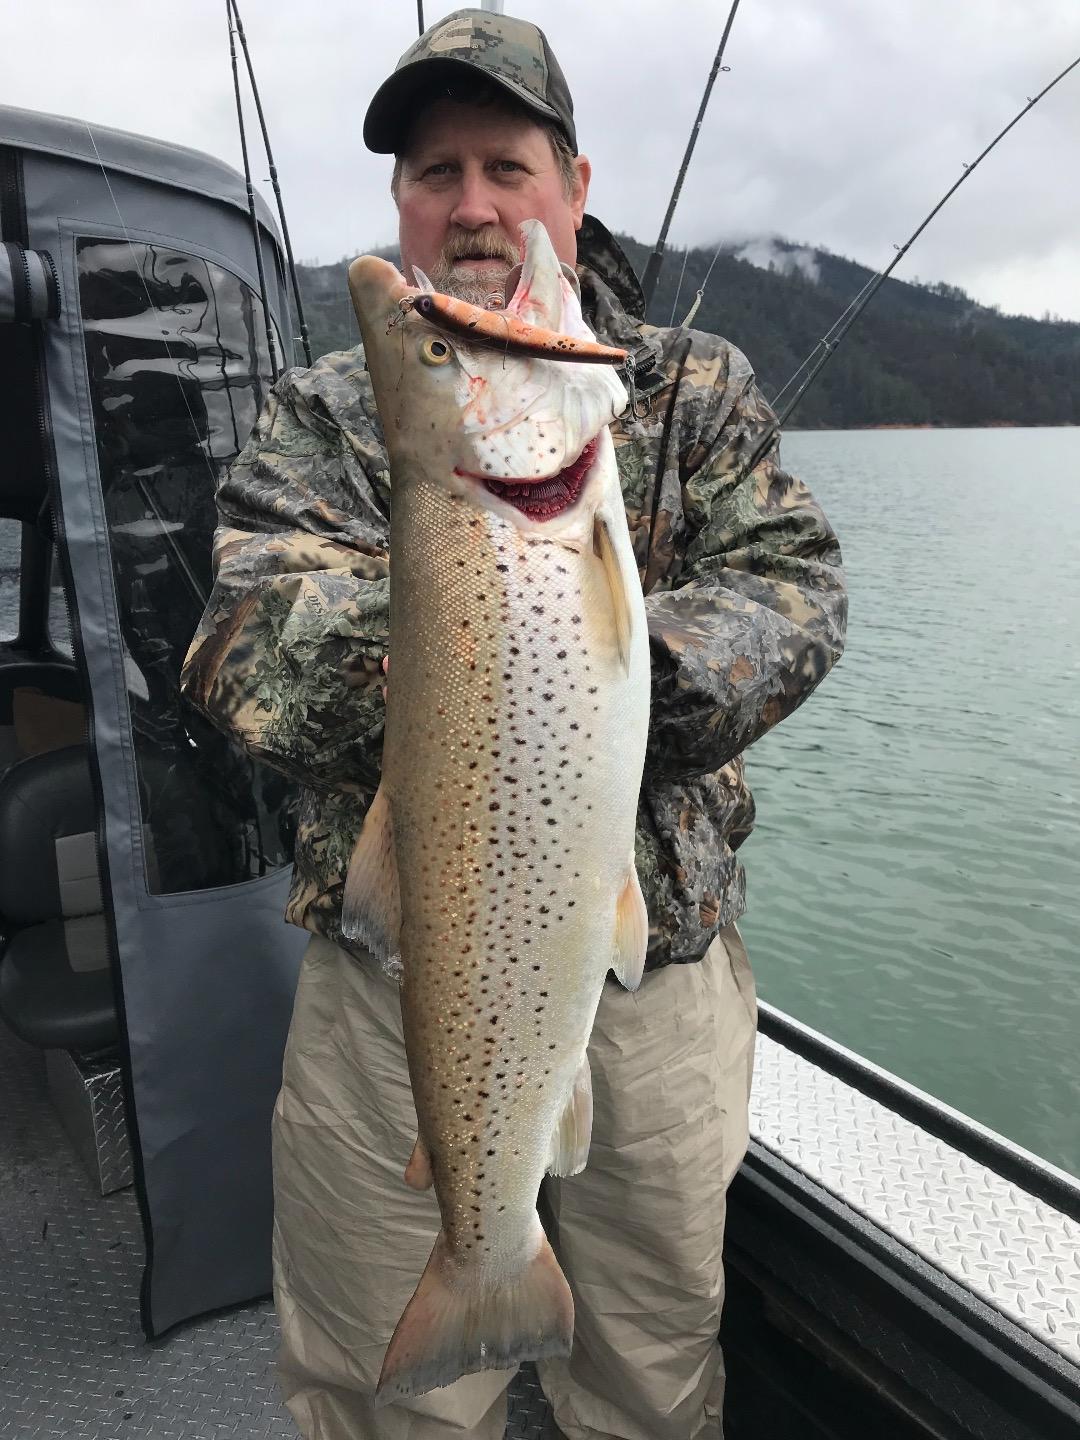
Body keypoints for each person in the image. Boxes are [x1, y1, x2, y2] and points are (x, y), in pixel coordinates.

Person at [181, 9, 847, 1438]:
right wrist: (486, 651)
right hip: (401, 982)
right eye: (434, 172)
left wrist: (621, 676)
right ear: (399, 203)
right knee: (385, 1392)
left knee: (655, 1370)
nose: (472, 203)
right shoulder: (323, 413)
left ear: (574, 187)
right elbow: (238, 641)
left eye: (505, 164)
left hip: (655, 977)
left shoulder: (690, 389)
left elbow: (795, 597)